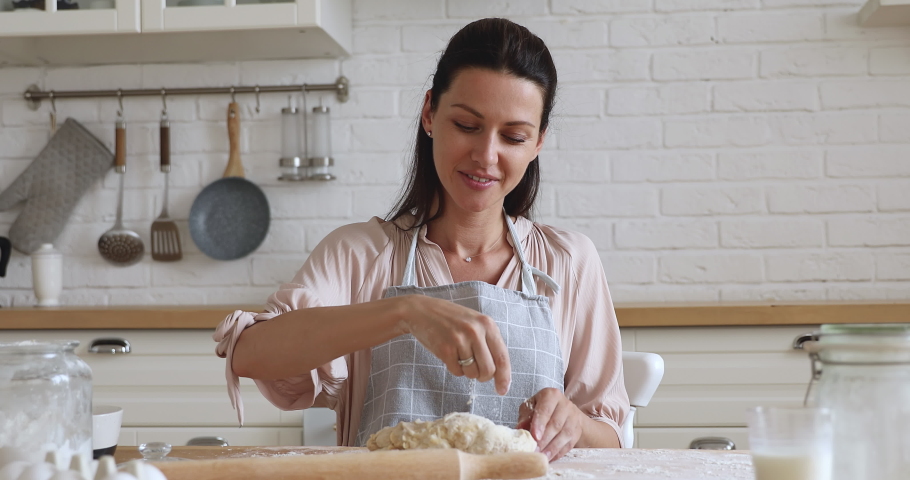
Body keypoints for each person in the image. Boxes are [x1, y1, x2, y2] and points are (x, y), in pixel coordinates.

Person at [214, 17, 629, 461]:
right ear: (430, 113)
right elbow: (250, 354)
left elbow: (612, 436)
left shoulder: (569, 262)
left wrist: (576, 424)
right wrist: (404, 312)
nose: (486, 156)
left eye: (513, 136)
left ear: (538, 142)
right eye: (467, 125)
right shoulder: (361, 256)